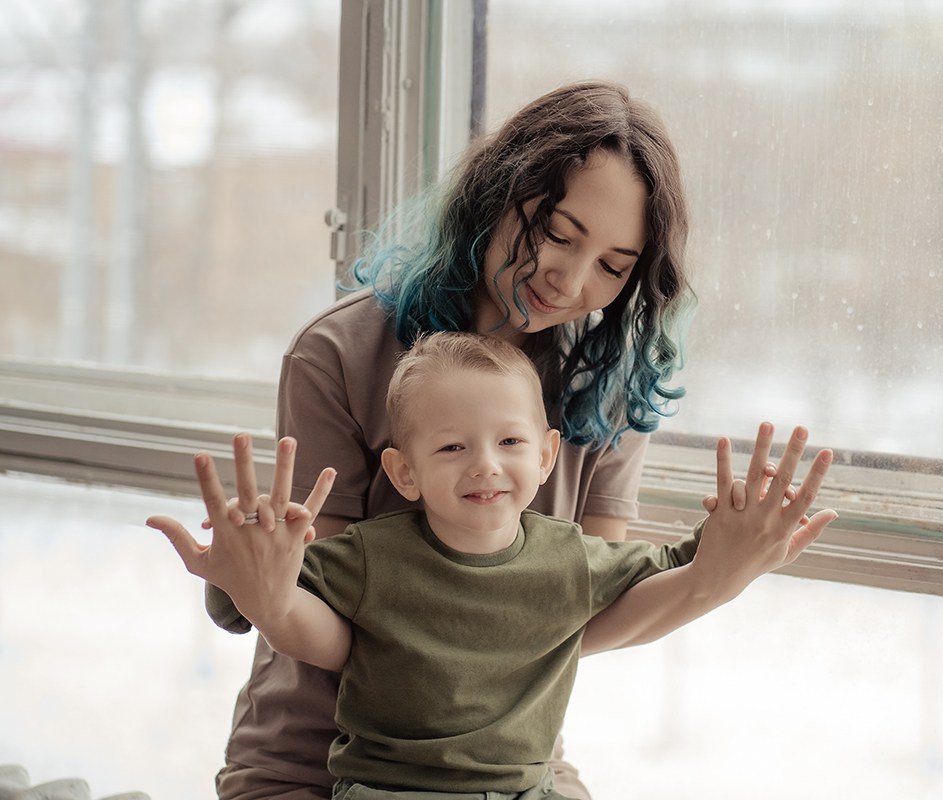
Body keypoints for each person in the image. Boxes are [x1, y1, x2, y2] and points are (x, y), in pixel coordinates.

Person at [181, 79, 811, 800]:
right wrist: (247, 581)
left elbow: (584, 608)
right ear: (495, 194)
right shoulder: (340, 354)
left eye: (612, 265)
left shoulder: (604, 389)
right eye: (557, 233)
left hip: (510, 765)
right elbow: (327, 608)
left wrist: (714, 578)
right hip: (318, 761)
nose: (568, 280)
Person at [147, 332, 838, 799]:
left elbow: (679, 572)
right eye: (451, 448)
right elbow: (263, 603)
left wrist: (733, 552)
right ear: (405, 472)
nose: (485, 463)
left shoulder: (573, 560)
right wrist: (247, 570)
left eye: (509, 440)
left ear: (543, 457)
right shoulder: (371, 555)